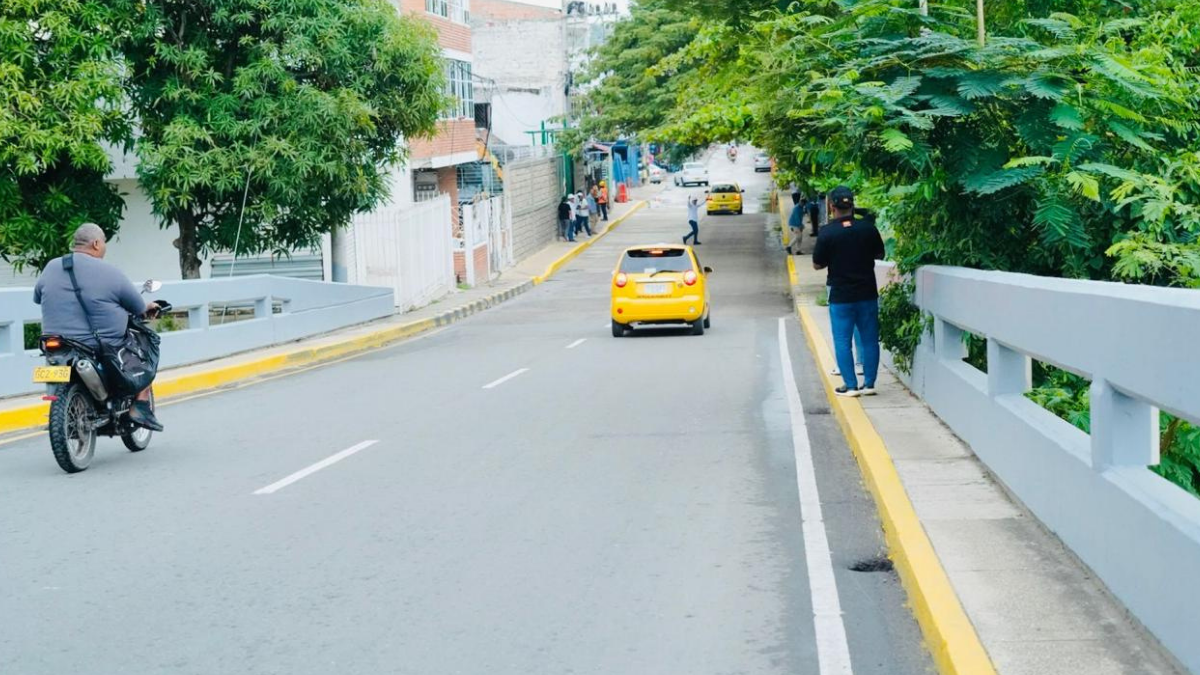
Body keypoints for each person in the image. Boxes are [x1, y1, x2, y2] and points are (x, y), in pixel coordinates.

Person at [34, 223, 164, 430]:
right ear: (96, 244)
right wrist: (148, 307)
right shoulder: (109, 271)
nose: (104, 248)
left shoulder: (51, 266)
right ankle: (140, 404)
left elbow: (37, 297)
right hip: (98, 345)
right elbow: (138, 307)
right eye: (104, 243)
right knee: (147, 346)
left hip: (56, 342)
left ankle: (60, 406)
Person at [812, 186, 885, 397]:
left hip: (841, 296)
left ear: (832, 207)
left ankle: (851, 386)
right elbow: (879, 254)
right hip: (867, 293)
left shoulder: (827, 232)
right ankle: (869, 384)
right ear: (852, 205)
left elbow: (817, 264)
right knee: (870, 339)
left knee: (843, 341)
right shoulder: (868, 229)